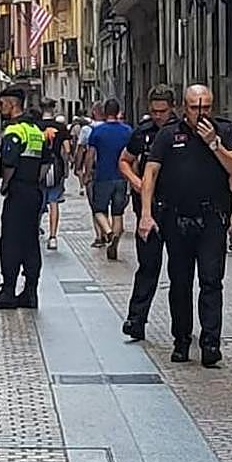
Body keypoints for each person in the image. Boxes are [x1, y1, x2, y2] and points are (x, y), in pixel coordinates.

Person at [138, 84, 232, 366]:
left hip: (212, 218)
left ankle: (210, 343)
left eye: (206, 107)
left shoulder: (224, 131)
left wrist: (215, 144)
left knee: (211, 281)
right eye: (196, 108)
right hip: (177, 219)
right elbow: (150, 173)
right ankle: (182, 340)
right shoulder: (168, 134)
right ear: (185, 108)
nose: (201, 113)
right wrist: (146, 214)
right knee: (180, 282)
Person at [118, 84, 177, 341]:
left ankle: (182, 325)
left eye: (162, 111)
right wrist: (136, 181)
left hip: (177, 208)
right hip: (148, 210)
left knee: (180, 271)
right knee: (147, 266)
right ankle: (136, 319)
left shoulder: (182, 131)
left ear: (172, 108)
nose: (158, 116)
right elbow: (124, 160)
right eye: (154, 111)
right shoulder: (142, 133)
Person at [0, 86, 48, 310]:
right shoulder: (36, 131)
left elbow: (9, 163)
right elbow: (45, 163)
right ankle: (30, 292)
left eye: (2, 104)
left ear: (12, 104)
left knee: (10, 240)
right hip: (34, 191)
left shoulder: (14, 131)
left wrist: (5, 185)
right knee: (31, 241)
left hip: (18, 191)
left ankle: (8, 290)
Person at [86, 98, 133, 260]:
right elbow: (134, 156)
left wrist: (87, 173)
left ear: (105, 112)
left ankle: (108, 232)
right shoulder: (128, 131)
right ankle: (115, 243)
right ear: (118, 111)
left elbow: (91, 155)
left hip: (103, 176)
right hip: (122, 176)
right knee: (118, 213)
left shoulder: (97, 132)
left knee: (99, 210)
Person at [39, 98, 71, 251]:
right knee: (54, 202)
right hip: (56, 167)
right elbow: (67, 149)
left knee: (38, 200)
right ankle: (53, 237)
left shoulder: (36, 126)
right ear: (53, 109)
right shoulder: (61, 127)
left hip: (39, 168)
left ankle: (35, 228)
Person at [76, 103, 104, 244]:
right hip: (111, 171)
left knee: (95, 204)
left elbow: (83, 151)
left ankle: (100, 235)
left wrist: (79, 169)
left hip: (93, 170)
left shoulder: (87, 130)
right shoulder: (113, 128)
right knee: (108, 204)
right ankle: (109, 230)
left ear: (93, 112)